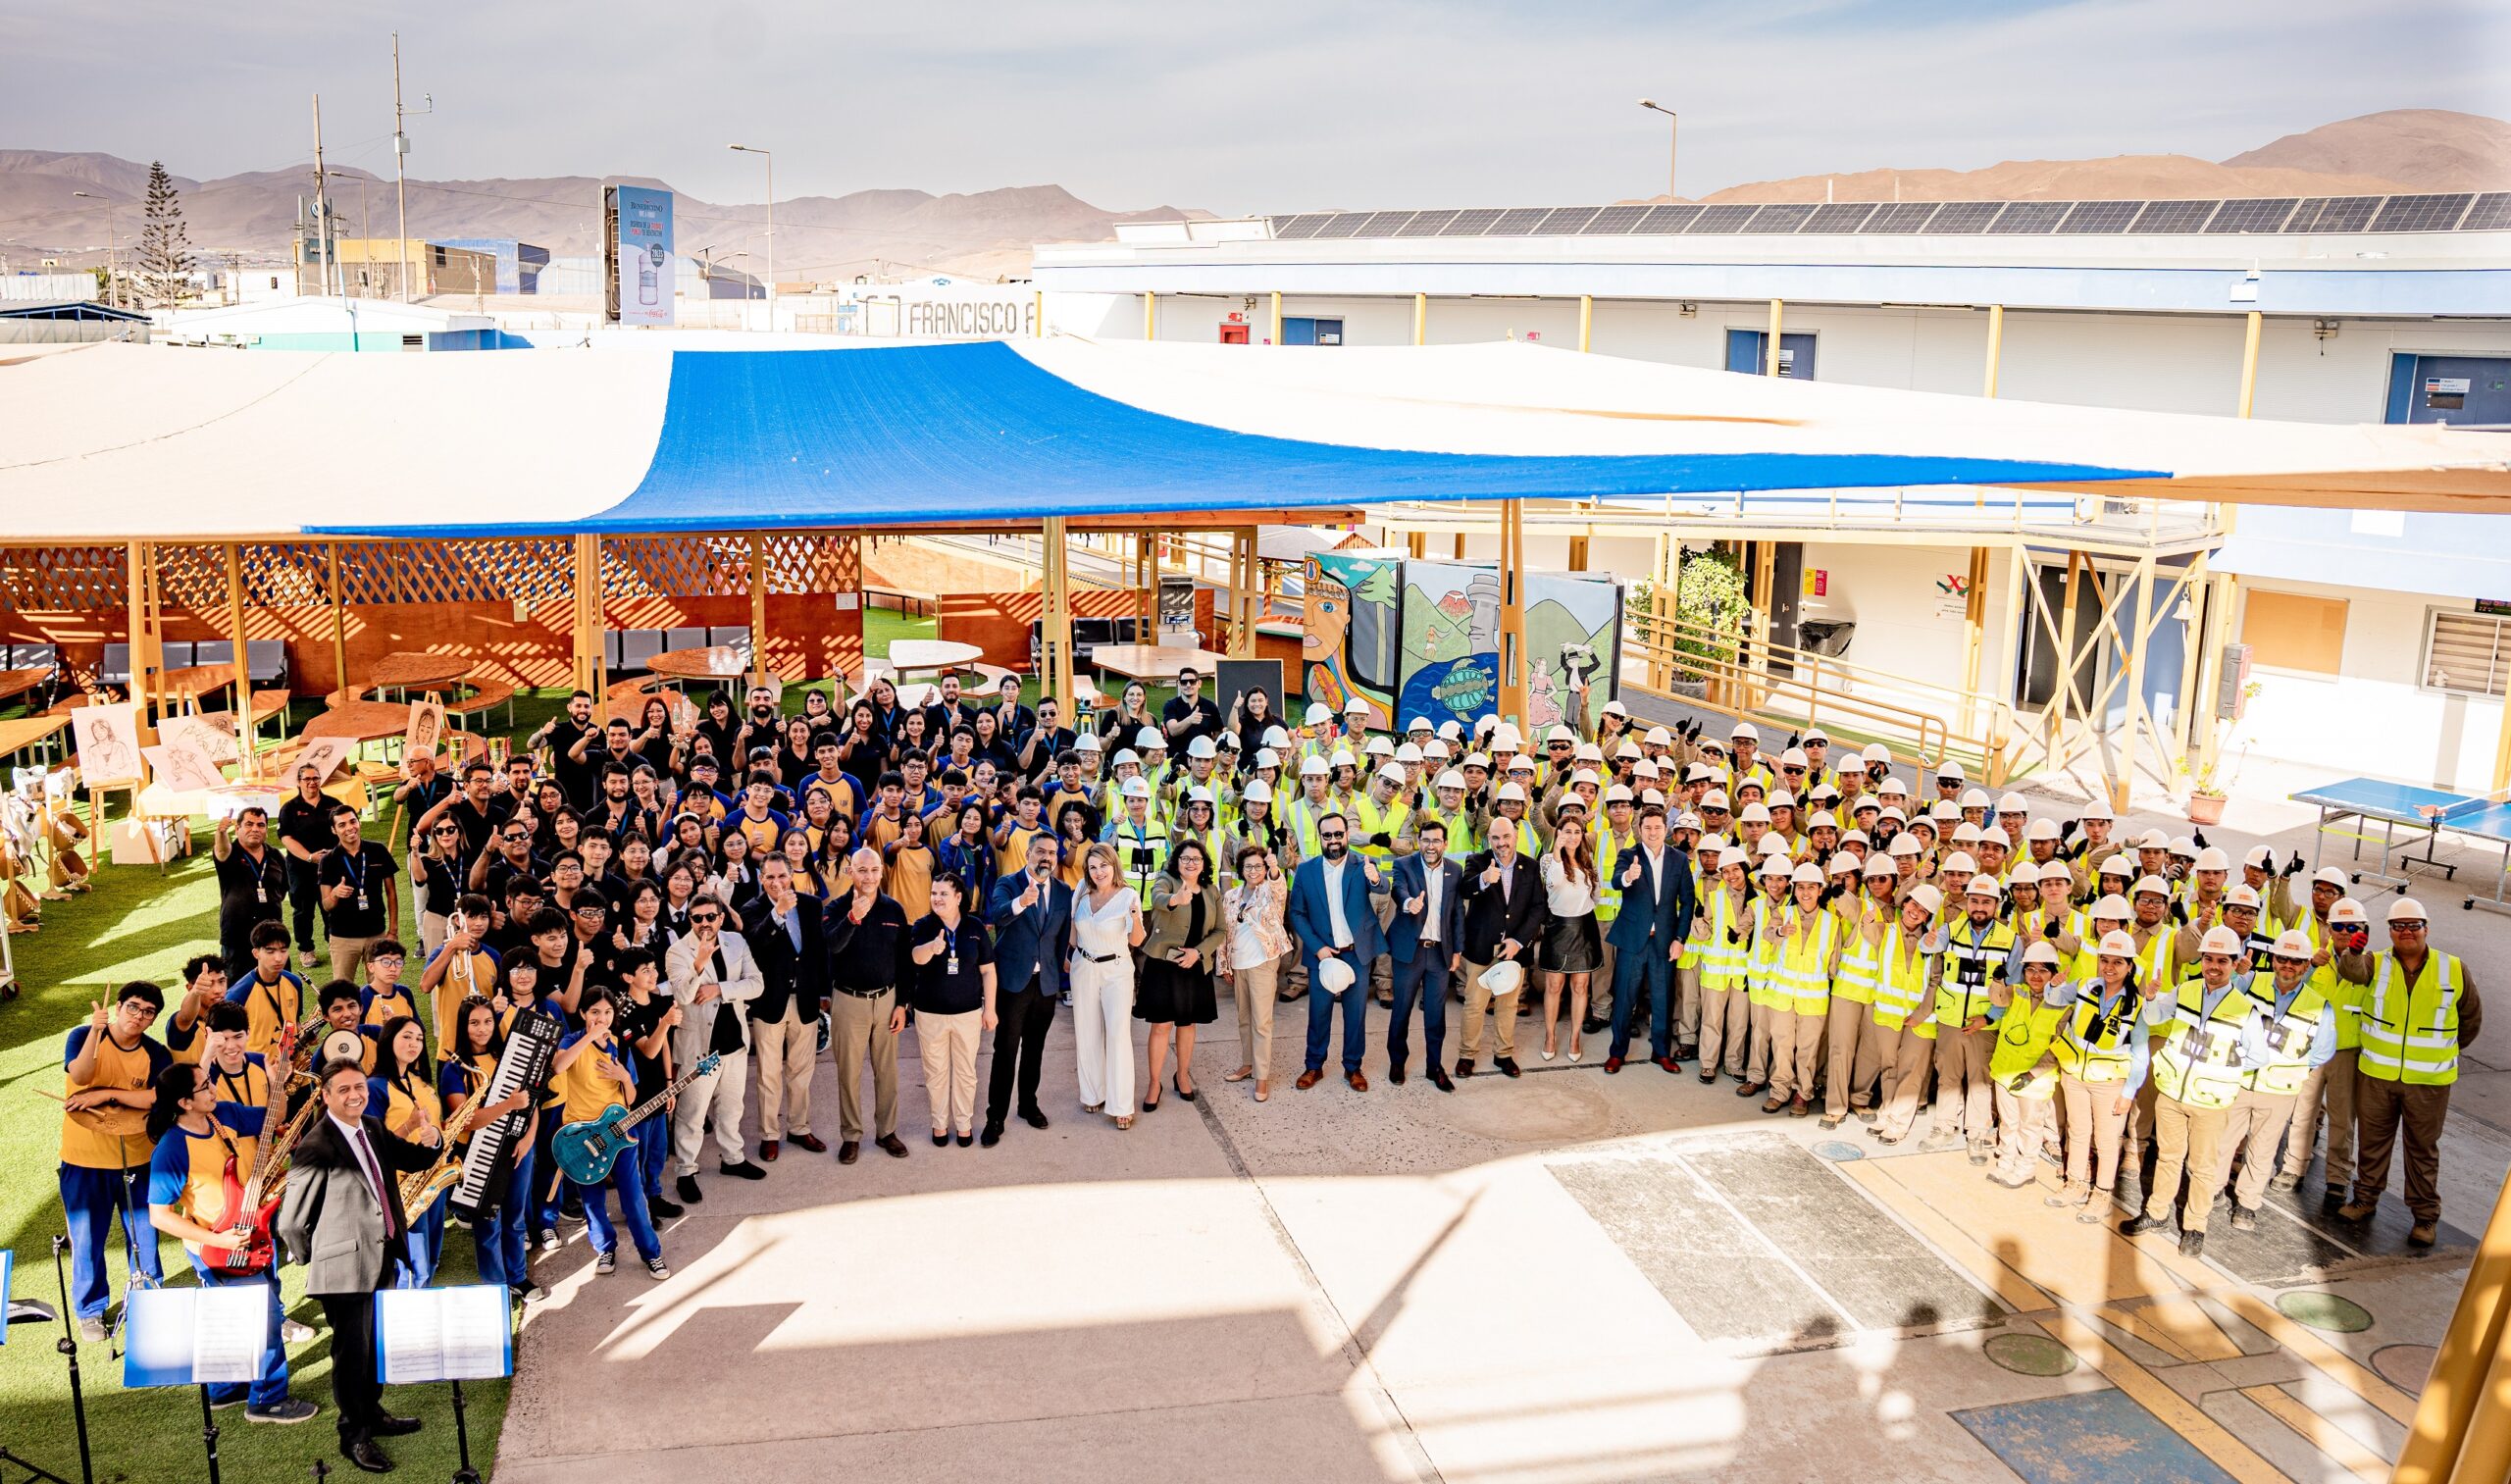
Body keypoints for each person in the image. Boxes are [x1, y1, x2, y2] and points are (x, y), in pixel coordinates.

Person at [274, 1056, 440, 1475]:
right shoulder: (316, 1145)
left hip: (382, 1256)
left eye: (359, 1087)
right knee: (351, 1354)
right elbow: (291, 1222)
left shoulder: (371, 1128)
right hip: (343, 1269)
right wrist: (320, 1256)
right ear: (327, 1096)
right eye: (344, 1089)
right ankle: (354, 1436)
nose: (354, 1095)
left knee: (374, 1346)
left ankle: (373, 1413)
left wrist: (432, 1137)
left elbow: (415, 1159)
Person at [144, 1061, 319, 1423]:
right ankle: (268, 1400)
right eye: (204, 1086)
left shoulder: (220, 1116)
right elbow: (159, 1215)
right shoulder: (172, 1149)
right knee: (266, 1319)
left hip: (252, 1234)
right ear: (184, 1103)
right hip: (220, 1249)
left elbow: (271, 1116)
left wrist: (275, 1083)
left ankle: (226, 1388)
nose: (213, 1089)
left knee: (232, 1318)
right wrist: (218, 1239)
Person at [2338, 897, 2483, 1246]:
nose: (2406, 932)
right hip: (2377, 1075)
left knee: (2422, 1149)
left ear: (2426, 928)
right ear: (2389, 931)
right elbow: (2350, 973)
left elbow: (2471, 1019)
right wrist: (2351, 953)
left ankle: (2425, 1217)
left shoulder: (2453, 968)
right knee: (2373, 1143)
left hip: (2428, 1082)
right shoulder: (2375, 963)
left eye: (2413, 925)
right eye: (2398, 926)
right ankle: (2365, 1199)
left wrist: (2441, 1050)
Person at [2122, 926, 2257, 1258]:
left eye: (2222, 961)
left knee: (2202, 1167)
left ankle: (2196, 1227)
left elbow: (2257, 1057)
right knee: (2168, 1157)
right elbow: (2153, 1017)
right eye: (2208, 958)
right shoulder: (2185, 990)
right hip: (2172, 1093)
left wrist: (2221, 1071)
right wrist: (2150, 997)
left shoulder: (2244, 1007)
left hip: (2210, 1102)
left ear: (2233, 963)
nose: (2213, 966)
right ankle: (2157, 1214)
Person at [60, 981, 171, 1341]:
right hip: (84, 1159)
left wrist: (107, 1094)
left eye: (148, 1012)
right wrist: (95, 1030)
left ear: (153, 1020)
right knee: (87, 1237)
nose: (139, 1017)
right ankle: (90, 1310)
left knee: (145, 1234)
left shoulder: (155, 1053)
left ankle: (148, 1299)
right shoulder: (81, 1036)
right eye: (133, 1008)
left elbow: (157, 1098)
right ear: (119, 1006)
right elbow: (80, 1076)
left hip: (137, 1159)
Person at [2220, 929, 2337, 1232]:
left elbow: (2321, 1051)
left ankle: (2247, 1204)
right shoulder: (2250, 982)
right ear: (2274, 959)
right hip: (2240, 1082)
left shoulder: (2319, 1005)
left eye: (2296, 961)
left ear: (2305, 965)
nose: (2288, 966)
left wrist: (2287, 1070)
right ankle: (2214, 1190)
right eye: (2283, 958)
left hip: (2279, 1091)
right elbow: (2224, 1005)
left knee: (2262, 1150)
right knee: (2223, 1143)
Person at [547, 989, 669, 1280]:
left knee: (633, 1196)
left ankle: (651, 1253)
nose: (602, 1019)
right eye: (595, 1013)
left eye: (607, 1013)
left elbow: (630, 1096)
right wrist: (589, 1037)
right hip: (581, 1135)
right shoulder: (571, 1041)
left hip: (619, 1133)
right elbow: (558, 1065)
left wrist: (625, 1078)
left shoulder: (620, 1045)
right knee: (592, 1200)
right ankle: (605, 1248)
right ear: (583, 1014)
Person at [436, 995, 543, 1305]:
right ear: (463, 1026)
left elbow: (531, 1103)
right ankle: (495, 1286)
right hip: (478, 1155)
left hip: (517, 1149)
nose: (482, 1029)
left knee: (514, 1218)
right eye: (473, 1023)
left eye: (487, 1021)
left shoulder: (505, 1056)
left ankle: (518, 1278)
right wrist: (508, 1104)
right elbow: (464, 1121)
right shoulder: (453, 1069)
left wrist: (529, 1138)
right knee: (488, 1223)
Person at [665, 899, 767, 1203]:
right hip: (700, 1048)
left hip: (734, 1042)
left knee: (732, 1107)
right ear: (691, 920)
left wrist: (719, 988)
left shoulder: (735, 941)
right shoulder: (678, 951)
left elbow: (756, 984)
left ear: (721, 918)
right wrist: (699, 963)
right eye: (698, 918)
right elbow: (683, 994)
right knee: (692, 1115)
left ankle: (732, 1158)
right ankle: (685, 1170)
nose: (705, 922)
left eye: (711, 916)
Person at [2046, 930, 2148, 1220]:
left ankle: (2102, 1193)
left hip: (2110, 1084)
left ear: (2130, 967)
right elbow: (2054, 998)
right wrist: (2054, 986)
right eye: (2104, 960)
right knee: (2077, 1133)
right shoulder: (2084, 987)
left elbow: (2140, 1054)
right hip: (2076, 1076)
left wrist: (2128, 1093)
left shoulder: (2138, 1005)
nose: (2109, 968)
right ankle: (2075, 1183)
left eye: (2117, 962)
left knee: (2106, 1140)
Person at [1287, 811, 1388, 1091]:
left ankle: (1353, 1068)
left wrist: (1376, 878)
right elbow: (1296, 912)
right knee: (1319, 1013)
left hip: (1357, 954)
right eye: (1327, 835)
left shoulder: (1362, 863)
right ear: (1320, 838)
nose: (1333, 840)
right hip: (1324, 955)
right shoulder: (1307, 870)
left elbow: (1383, 887)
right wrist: (1318, 949)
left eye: (1338, 834)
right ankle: (1313, 1066)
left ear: (1346, 835)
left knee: (1355, 1014)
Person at [984, 833, 1073, 1143]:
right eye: (1040, 851)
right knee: (1005, 1051)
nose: (1046, 857)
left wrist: (1057, 976)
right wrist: (1021, 902)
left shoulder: (1063, 892)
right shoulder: (1008, 883)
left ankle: (1028, 1104)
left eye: (1052, 852)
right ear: (1027, 853)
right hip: (1013, 983)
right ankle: (995, 1117)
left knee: (1035, 1049)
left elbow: (1060, 940)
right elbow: (997, 915)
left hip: (1045, 984)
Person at [827, 846, 914, 1162]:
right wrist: (852, 919)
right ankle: (851, 1135)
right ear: (851, 871)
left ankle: (886, 1132)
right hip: (849, 1001)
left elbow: (905, 961)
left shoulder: (894, 910)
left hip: (887, 1000)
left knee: (887, 1072)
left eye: (874, 870)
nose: (869, 876)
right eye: (862, 870)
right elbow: (832, 947)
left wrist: (903, 1004)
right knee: (848, 1073)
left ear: (881, 872)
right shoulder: (836, 908)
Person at [742, 856, 829, 1160]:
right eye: (769, 878)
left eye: (782, 876)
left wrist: (823, 993)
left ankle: (799, 1127)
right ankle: (769, 1134)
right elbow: (754, 946)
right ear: (761, 879)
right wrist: (777, 914)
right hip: (770, 1003)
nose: (776, 883)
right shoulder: (752, 909)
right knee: (768, 1073)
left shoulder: (811, 905)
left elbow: (819, 951)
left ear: (792, 875)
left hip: (804, 1000)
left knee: (802, 1071)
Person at [1604, 806, 1694, 1074]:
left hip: (1664, 941)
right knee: (1624, 998)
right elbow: (1616, 880)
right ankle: (1617, 1052)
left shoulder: (1679, 860)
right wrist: (1628, 877)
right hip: (1632, 939)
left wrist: (1680, 938)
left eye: (1657, 827)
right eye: (1647, 828)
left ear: (1665, 829)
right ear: (1639, 830)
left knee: (1662, 998)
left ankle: (1662, 1053)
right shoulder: (1628, 855)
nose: (1653, 832)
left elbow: (1687, 901)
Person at [1139, 839, 1224, 1109]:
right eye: (1185, 858)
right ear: (1177, 861)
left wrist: (1197, 953)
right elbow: (1158, 899)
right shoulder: (1166, 880)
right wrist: (1177, 898)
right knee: (1161, 1025)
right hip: (1164, 965)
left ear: (1204, 863)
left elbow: (1220, 931)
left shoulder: (1211, 891)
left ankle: (1182, 1075)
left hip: (1194, 965)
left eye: (1196, 859)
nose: (1191, 863)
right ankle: (1155, 1083)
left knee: (1187, 1024)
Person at [910, 871, 993, 1146]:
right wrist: (931, 947)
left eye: (943, 893)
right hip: (930, 1013)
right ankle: (939, 1125)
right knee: (936, 1072)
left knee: (966, 1072)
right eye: (934, 893)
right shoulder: (923, 925)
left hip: (968, 1013)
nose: (937, 898)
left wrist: (989, 1009)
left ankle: (964, 1123)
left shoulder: (975, 927)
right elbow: (915, 959)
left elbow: (988, 971)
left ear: (958, 897)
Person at [366, 1016, 448, 1287]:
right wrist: (409, 1125)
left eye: (419, 1039)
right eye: (406, 1036)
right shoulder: (375, 1087)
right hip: (402, 1185)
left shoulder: (420, 1082)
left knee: (431, 1258)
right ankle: (406, 1322)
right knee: (413, 1267)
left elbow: (436, 1126)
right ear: (389, 1040)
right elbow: (371, 1143)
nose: (414, 1043)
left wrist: (435, 1135)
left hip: (433, 1179)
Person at [1065, 841, 1144, 1126]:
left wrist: (1136, 919)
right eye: (1093, 867)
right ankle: (1092, 1093)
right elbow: (1074, 934)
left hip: (1116, 969)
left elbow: (1136, 941)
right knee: (1086, 1032)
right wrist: (1070, 957)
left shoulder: (1128, 896)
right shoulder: (1081, 892)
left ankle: (1122, 1104)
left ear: (1114, 865)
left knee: (1118, 1035)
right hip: (1084, 966)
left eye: (1104, 866)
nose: (1099, 872)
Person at [1458, 820, 1543, 1079]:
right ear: (1488, 840)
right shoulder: (1477, 862)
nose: (1501, 843)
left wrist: (1518, 941)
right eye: (1495, 838)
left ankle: (1503, 1054)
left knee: (1508, 1005)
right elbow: (1464, 888)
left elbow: (1538, 907)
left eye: (1506, 836)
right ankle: (1466, 1055)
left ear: (1515, 836)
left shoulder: (1529, 866)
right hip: (1482, 946)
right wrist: (1483, 880)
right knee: (1475, 1004)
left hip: (1513, 951)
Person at [1386, 818, 1463, 1090]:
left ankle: (1435, 1066)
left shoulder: (1455, 870)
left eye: (1436, 841)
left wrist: (1457, 950)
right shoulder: (1404, 864)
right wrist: (1409, 904)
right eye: (1426, 840)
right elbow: (1399, 890)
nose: (1431, 846)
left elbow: (1456, 913)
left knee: (1435, 1013)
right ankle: (1397, 1061)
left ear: (1445, 843)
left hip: (1440, 953)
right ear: (1420, 841)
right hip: (1410, 951)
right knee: (1401, 1010)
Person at [1221, 844, 1292, 1100]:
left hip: (1263, 962)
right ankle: (1248, 1063)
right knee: (1243, 1018)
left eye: (1258, 866)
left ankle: (1261, 1076)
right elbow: (1224, 933)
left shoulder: (1270, 892)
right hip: (1237, 963)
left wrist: (1274, 869)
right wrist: (1224, 965)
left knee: (1261, 1022)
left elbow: (1278, 887)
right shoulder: (1230, 896)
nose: (1253, 871)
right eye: (1248, 866)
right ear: (1241, 870)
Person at [1536, 815, 1602, 1062]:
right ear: (1558, 833)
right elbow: (1553, 883)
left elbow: (1595, 895)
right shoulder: (1547, 861)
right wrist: (1557, 850)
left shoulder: (1587, 862)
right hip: (1558, 927)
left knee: (1580, 986)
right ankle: (1550, 1036)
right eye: (1566, 831)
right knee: (1554, 986)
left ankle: (1574, 1037)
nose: (1572, 836)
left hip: (1584, 927)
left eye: (1577, 832)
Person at [317, 802, 399, 985]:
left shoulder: (378, 851)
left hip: (376, 934)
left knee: (381, 988)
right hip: (343, 938)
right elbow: (326, 904)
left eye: (352, 821)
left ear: (359, 822)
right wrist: (335, 894)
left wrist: (393, 931)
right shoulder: (328, 861)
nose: (349, 828)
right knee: (343, 991)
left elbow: (391, 893)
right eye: (342, 825)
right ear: (333, 830)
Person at [212, 806, 289, 983]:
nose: (255, 829)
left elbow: (283, 889)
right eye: (249, 824)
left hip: (272, 936)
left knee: (277, 984)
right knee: (236, 988)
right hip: (237, 936)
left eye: (261, 825)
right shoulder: (230, 852)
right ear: (237, 828)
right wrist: (221, 832)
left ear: (266, 831)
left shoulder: (275, 856)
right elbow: (221, 850)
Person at [276, 764, 335, 971]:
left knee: (331, 905)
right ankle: (306, 949)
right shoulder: (290, 808)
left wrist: (331, 856)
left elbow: (344, 830)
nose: (312, 782)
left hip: (329, 866)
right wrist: (310, 857)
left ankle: (334, 943)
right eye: (307, 779)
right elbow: (286, 838)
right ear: (299, 782)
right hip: (301, 867)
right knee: (303, 910)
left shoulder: (333, 804)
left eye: (316, 778)